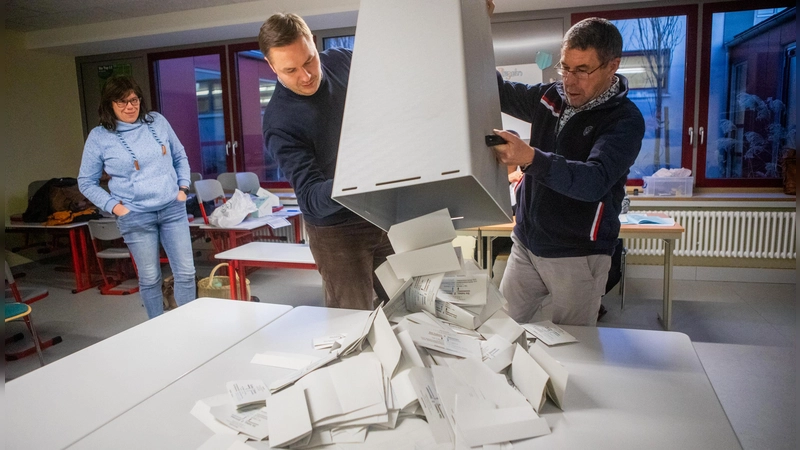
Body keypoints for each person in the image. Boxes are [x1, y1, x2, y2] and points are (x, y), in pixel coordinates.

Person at [488, 17, 645, 326]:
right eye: (565, 68)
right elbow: (499, 92)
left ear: (612, 66)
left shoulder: (624, 120)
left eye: (583, 70)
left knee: (575, 350)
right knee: (502, 332)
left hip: (579, 254)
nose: (570, 81)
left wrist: (531, 158)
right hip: (527, 244)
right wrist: (476, 25)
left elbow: (593, 180)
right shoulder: (550, 97)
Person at [258, 13, 394, 310]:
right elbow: (310, 196)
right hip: (336, 231)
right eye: (291, 70)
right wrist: (361, 175)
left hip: (380, 211)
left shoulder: (342, 60)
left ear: (314, 44)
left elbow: (384, 89)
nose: (306, 76)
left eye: (309, 61)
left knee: (407, 302)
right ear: (272, 67)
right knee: (353, 319)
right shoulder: (280, 122)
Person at [78, 75, 196, 319]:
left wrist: (183, 189)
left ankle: (188, 326)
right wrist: (116, 208)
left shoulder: (158, 122)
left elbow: (180, 156)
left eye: (133, 100)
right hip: (135, 216)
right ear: (109, 105)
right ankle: (155, 327)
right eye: (121, 102)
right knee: (150, 277)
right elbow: (86, 182)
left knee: (186, 272)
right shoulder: (99, 137)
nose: (129, 107)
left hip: (172, 209)